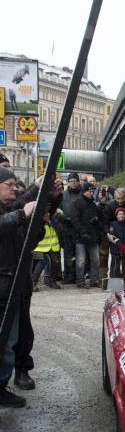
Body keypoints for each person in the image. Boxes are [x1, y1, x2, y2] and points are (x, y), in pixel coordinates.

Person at [0, 167, 40, 406]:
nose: (14, 188)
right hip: (4, 287)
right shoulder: (9, 215)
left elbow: (19, 208)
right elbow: (15, 215)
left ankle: (1, 386)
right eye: (9, 184)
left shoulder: (8, 209)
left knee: (8, 342)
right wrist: (21, 215)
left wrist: (37, 187)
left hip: (9, 288)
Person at [72, 181, 102, 288]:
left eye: (93, 191)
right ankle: (80, 280)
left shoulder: (93, 204)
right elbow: (75, 220)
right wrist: (82, 232)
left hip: (92, 236)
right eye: (90, 191)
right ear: (85, 191)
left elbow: (98, 218)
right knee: (81, 260)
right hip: (81, 237)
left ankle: (94, 279)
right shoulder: (77, 203)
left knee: (95, 259)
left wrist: (95, 220)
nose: (92, 193)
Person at [58, 172, 81, 284]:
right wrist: (64, 217)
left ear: (78, 182)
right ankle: (68, 275)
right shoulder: (63, 195)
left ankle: (78, 276)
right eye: (71, 181)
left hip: (79, 230)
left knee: (79, 255)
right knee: (68, 254)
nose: (73, 183)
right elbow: (57, 210)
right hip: (66, 229)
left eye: (75, 181)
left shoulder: (82, 194)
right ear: (68, 182)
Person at [32, 211, 62, 291]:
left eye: (48, 214)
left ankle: (52, 281)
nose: (48, 215)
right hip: (38, 247)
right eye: (46, 215)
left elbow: (58, 230)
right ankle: (33, 283)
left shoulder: (52, 220)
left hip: (53, 245)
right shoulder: (37, 222)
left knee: (55, 262)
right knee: (41, 262)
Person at [108, 208, 125, 283]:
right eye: (119, 214)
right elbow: (112, 235)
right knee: (115, 267)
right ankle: (114, 283)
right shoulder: (113, 224)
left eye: (123, 214)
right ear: (116, 215)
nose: (121, 215)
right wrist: (118, 242)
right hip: (115, 249)